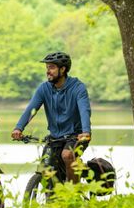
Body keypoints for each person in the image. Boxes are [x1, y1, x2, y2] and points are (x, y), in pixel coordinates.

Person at [11, 51, 91, 183]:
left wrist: (86, 132)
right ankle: (51, 198)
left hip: (76, 135)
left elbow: (84, 111)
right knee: (46, 167)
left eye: (52, 67)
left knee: (67, 155)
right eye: (47, 67)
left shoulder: (78, 88)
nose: (48, 71)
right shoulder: (44, 88)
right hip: (55, 137)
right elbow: (31, 109)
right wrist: (18, 128)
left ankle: (74, 194)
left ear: (63, 69)